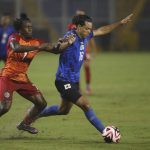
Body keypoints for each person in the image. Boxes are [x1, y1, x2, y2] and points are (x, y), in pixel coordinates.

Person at [38, 14, 133, 142]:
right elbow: (58, 47)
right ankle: (106, 132)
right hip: (63, 81)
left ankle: (35, 114)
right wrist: (63, 43)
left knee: (63, 110)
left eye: (90, 29)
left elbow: (102, 30)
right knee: (85, 104)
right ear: (78, 27)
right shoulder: (70, 37)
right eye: (87, 28)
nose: (89, 31)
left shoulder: (86, 35)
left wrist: (120, 23)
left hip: (74, 81)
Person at [0, 13, 76, 134]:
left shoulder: (36, 42)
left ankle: (24, 124)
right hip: (7, 77)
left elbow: (56, 49)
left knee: (41, 104)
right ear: (20, 29)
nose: (30, 28)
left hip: (22, 79)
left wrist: (68, 43)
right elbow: (16, 47)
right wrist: (37, 47)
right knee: (5, 107)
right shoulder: (13, 37)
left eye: (31, 26)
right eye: (27, 27)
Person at [67, 10, 97, 95]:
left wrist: (94, 49)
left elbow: (91, 37)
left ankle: (88, 86)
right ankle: (78, 88)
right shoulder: (71, 26)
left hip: (85, 48)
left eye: (82, 15)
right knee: (76, 68)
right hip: (76, 50)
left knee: (87, 66)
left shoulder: (87, 24)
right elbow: (69, 36)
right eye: (79, 15)